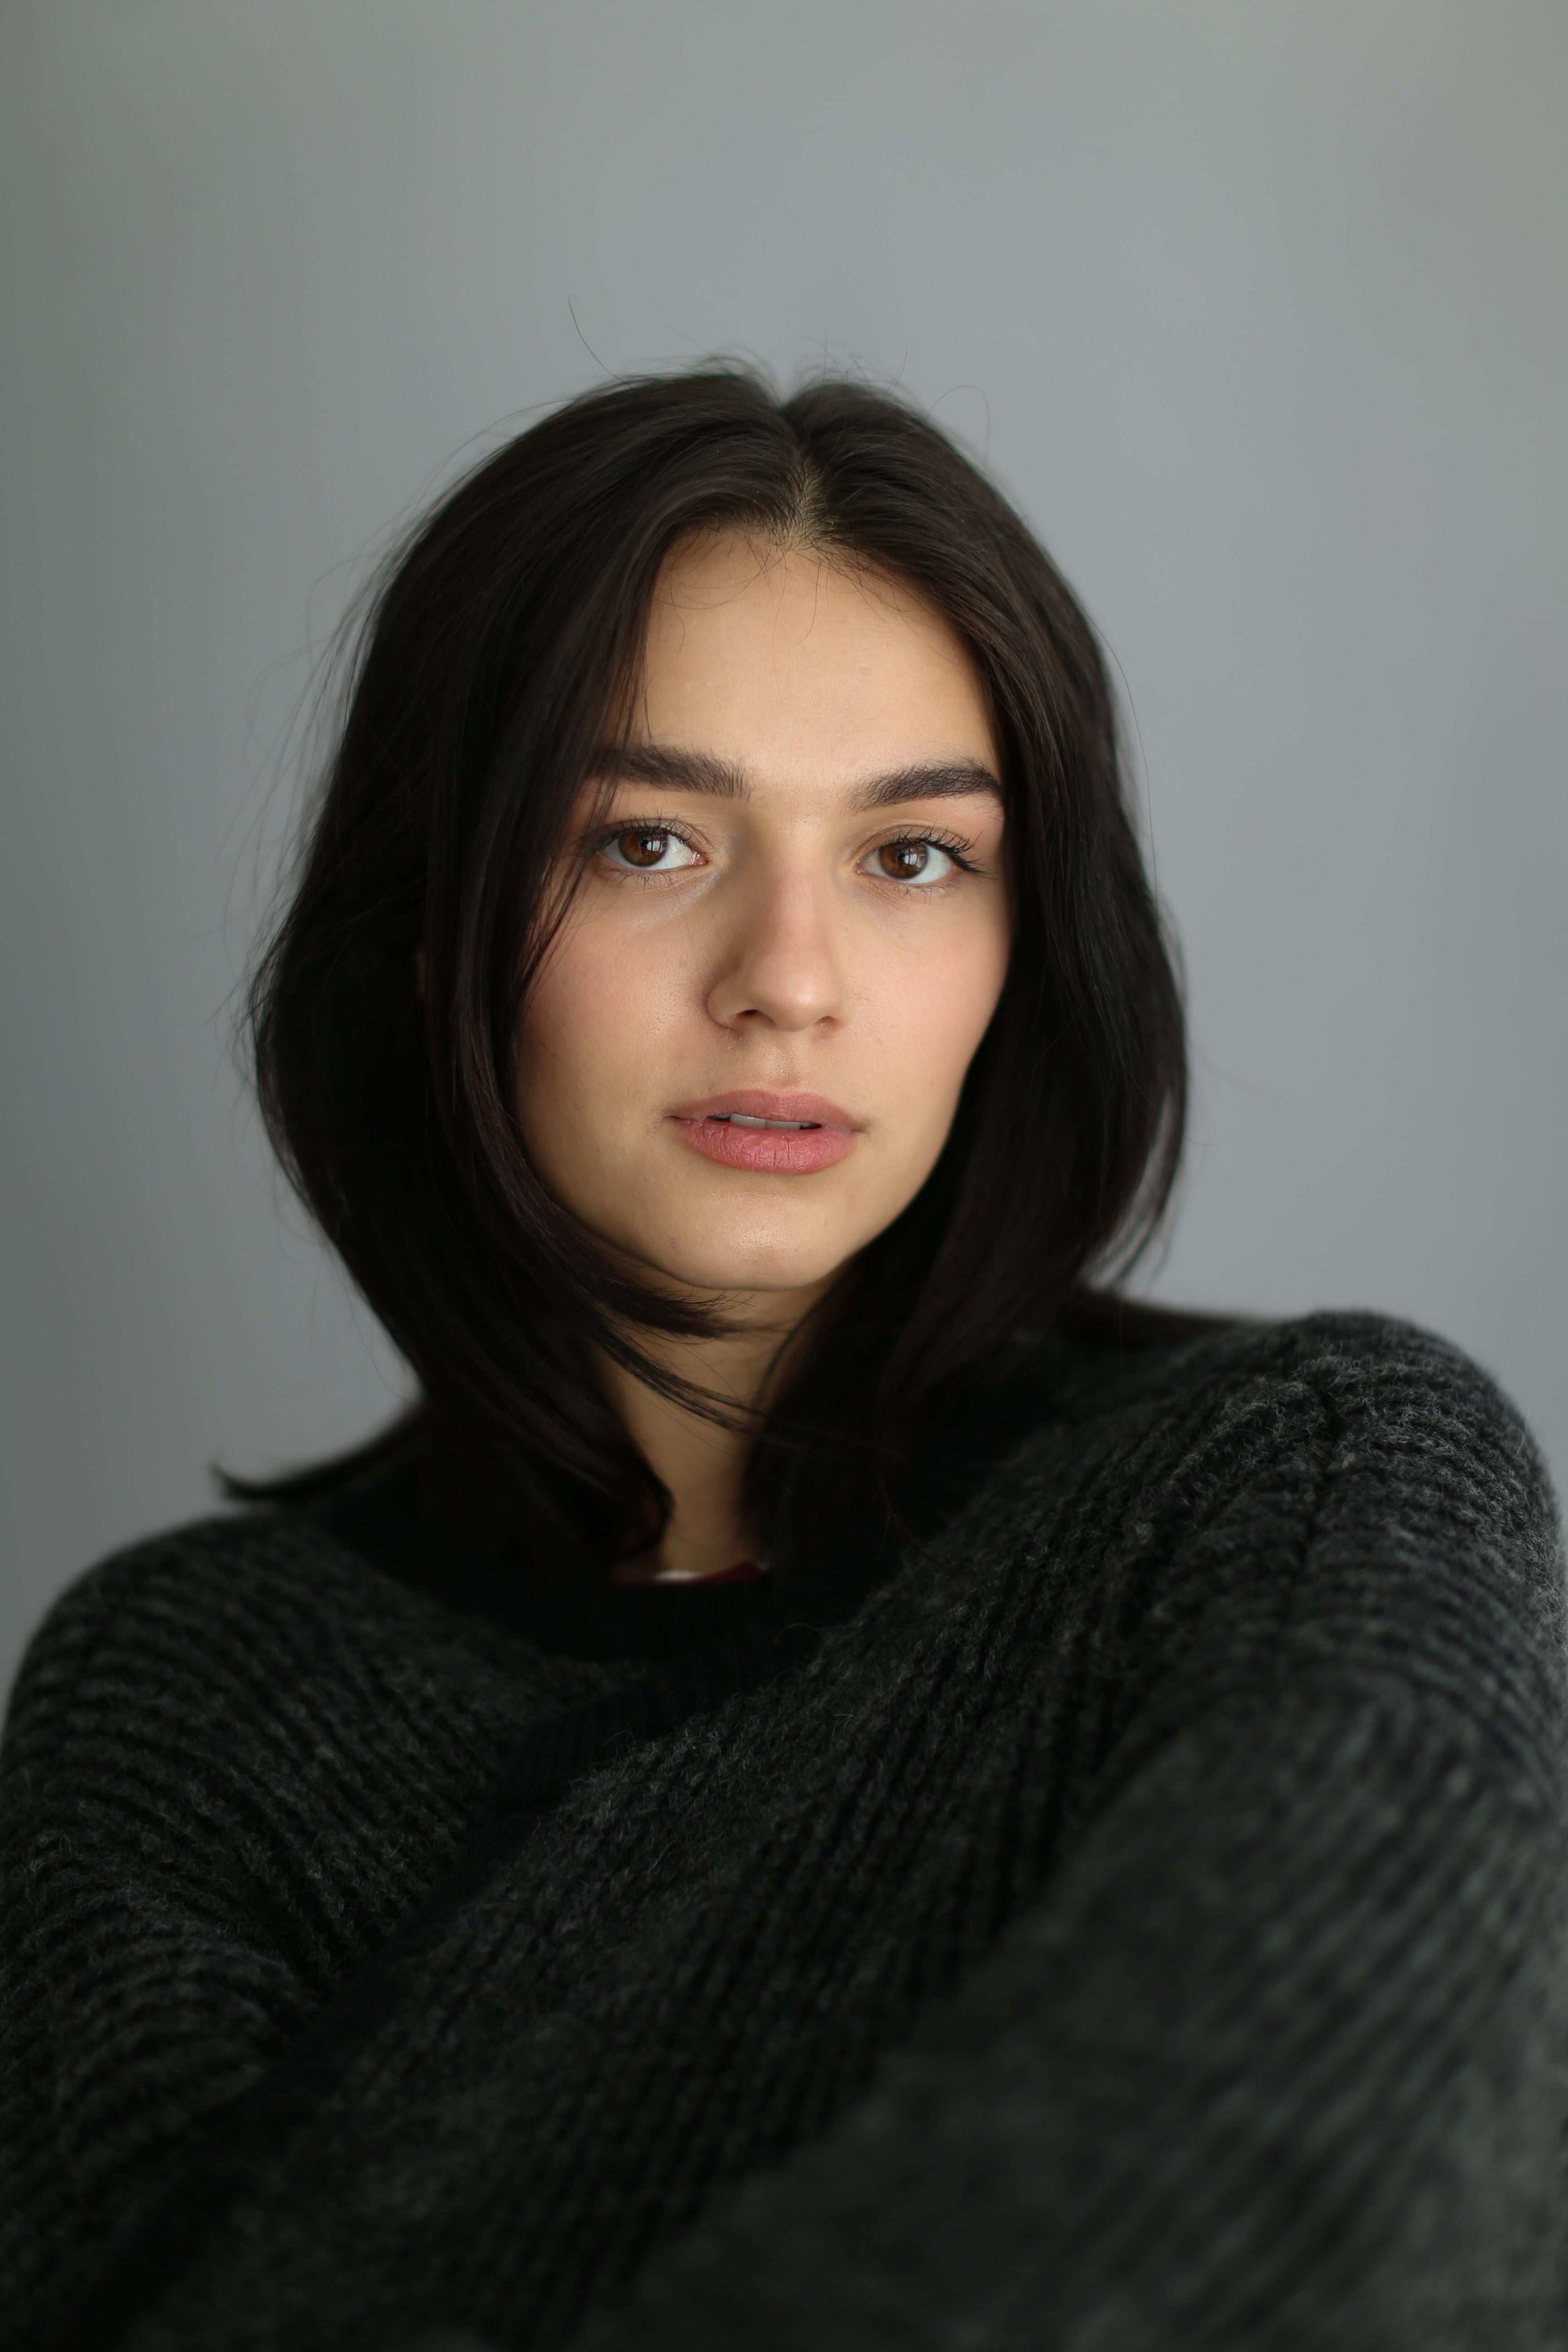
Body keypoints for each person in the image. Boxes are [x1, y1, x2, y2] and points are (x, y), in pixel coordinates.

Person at [2, 368, 1563, 2352]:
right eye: (649, 840)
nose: (790, 980)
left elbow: (1295, 2223)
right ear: (431, 923)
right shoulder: (180, 1698)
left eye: (913, 858)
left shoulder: (1314, 1481)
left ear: (1029, 949)